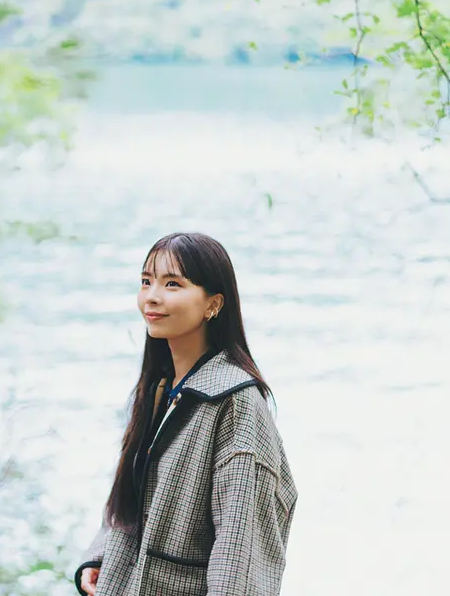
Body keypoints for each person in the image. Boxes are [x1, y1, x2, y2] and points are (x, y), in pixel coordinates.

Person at [74, 232, 298, 596]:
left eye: (172, 284)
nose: (152, 296)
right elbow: (133, 497)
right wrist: (100, 556)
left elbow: (238, 549)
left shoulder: (236, 402)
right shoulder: (160, 388)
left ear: (214, 303)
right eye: (146, 281)